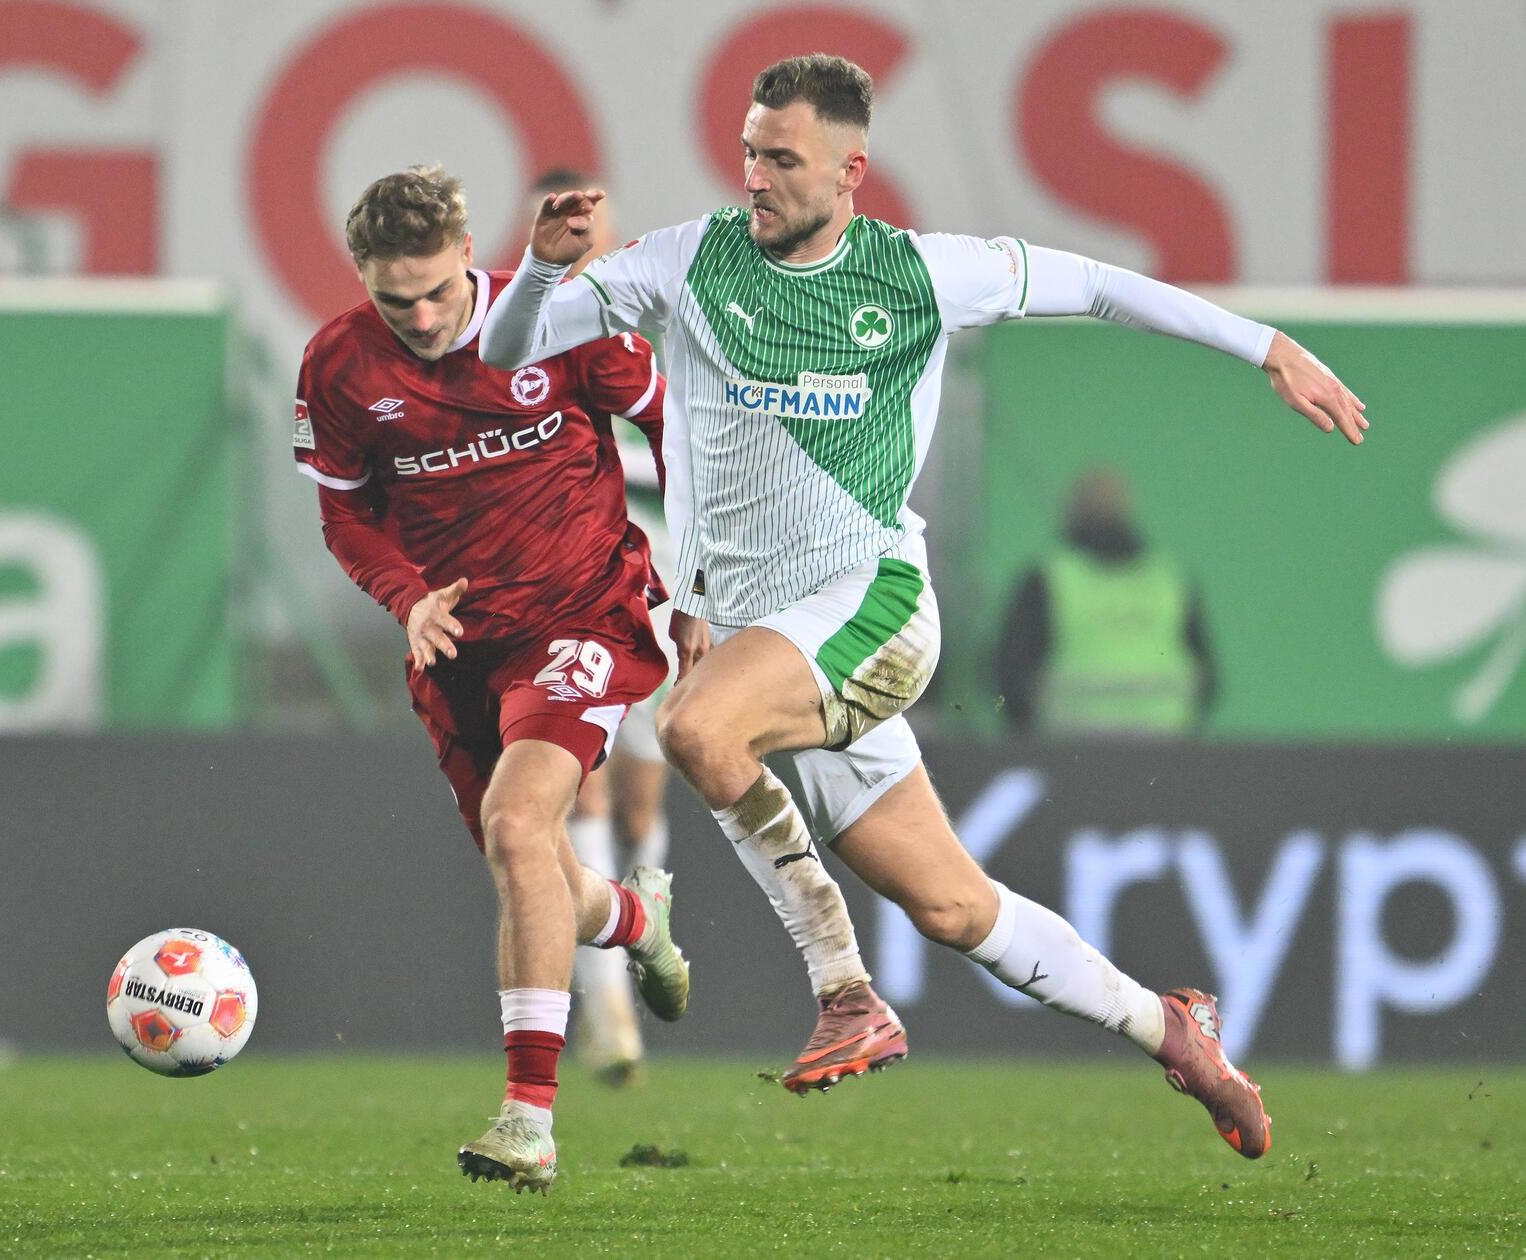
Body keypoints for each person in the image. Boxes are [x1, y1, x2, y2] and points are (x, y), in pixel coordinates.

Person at [483, 54, 1369, 1161]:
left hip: (872, 607)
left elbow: (1098, 284)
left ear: (851, 171)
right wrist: (533, 271)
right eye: (750, 150)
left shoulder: (924, 276)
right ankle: (1173, 1029)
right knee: (954, 912)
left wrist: (1268, 347)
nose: (755, 176)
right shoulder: (685, 261)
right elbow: (506, 350)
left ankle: (845, 989)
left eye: (783, 158)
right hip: (780, 639)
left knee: (697, 726)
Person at [295, 164, 689, 1193]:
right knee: (532, 866)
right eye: (396, 299)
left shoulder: (562, 316)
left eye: (436, 290)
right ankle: (634, 919)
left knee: (521, 828)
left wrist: (696, 573)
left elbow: (676, 422)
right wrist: (406, 598)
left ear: (471, 256)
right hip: (458, 647)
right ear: (363, 282)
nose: (421, 316)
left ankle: (529, 1119)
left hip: (585, 611)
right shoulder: (338, 365)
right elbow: (346, 513)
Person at [514, 168, 677, 1086]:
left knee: (643, 807)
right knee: (585, 800)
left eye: (599, 223)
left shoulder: (647, 340)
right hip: (576, 609)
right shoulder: (528, 343)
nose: (589, 239)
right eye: (571, 222)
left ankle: (636, 940)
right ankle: (610, 1021)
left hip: (659, 603)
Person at [997, 466, 1218, 737]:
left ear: (1072, 511)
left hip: (1074, 745)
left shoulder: (1049, 577)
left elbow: (1009, 673)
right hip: (1164, 741)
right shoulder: (1169, 577)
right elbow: (1208, 677)